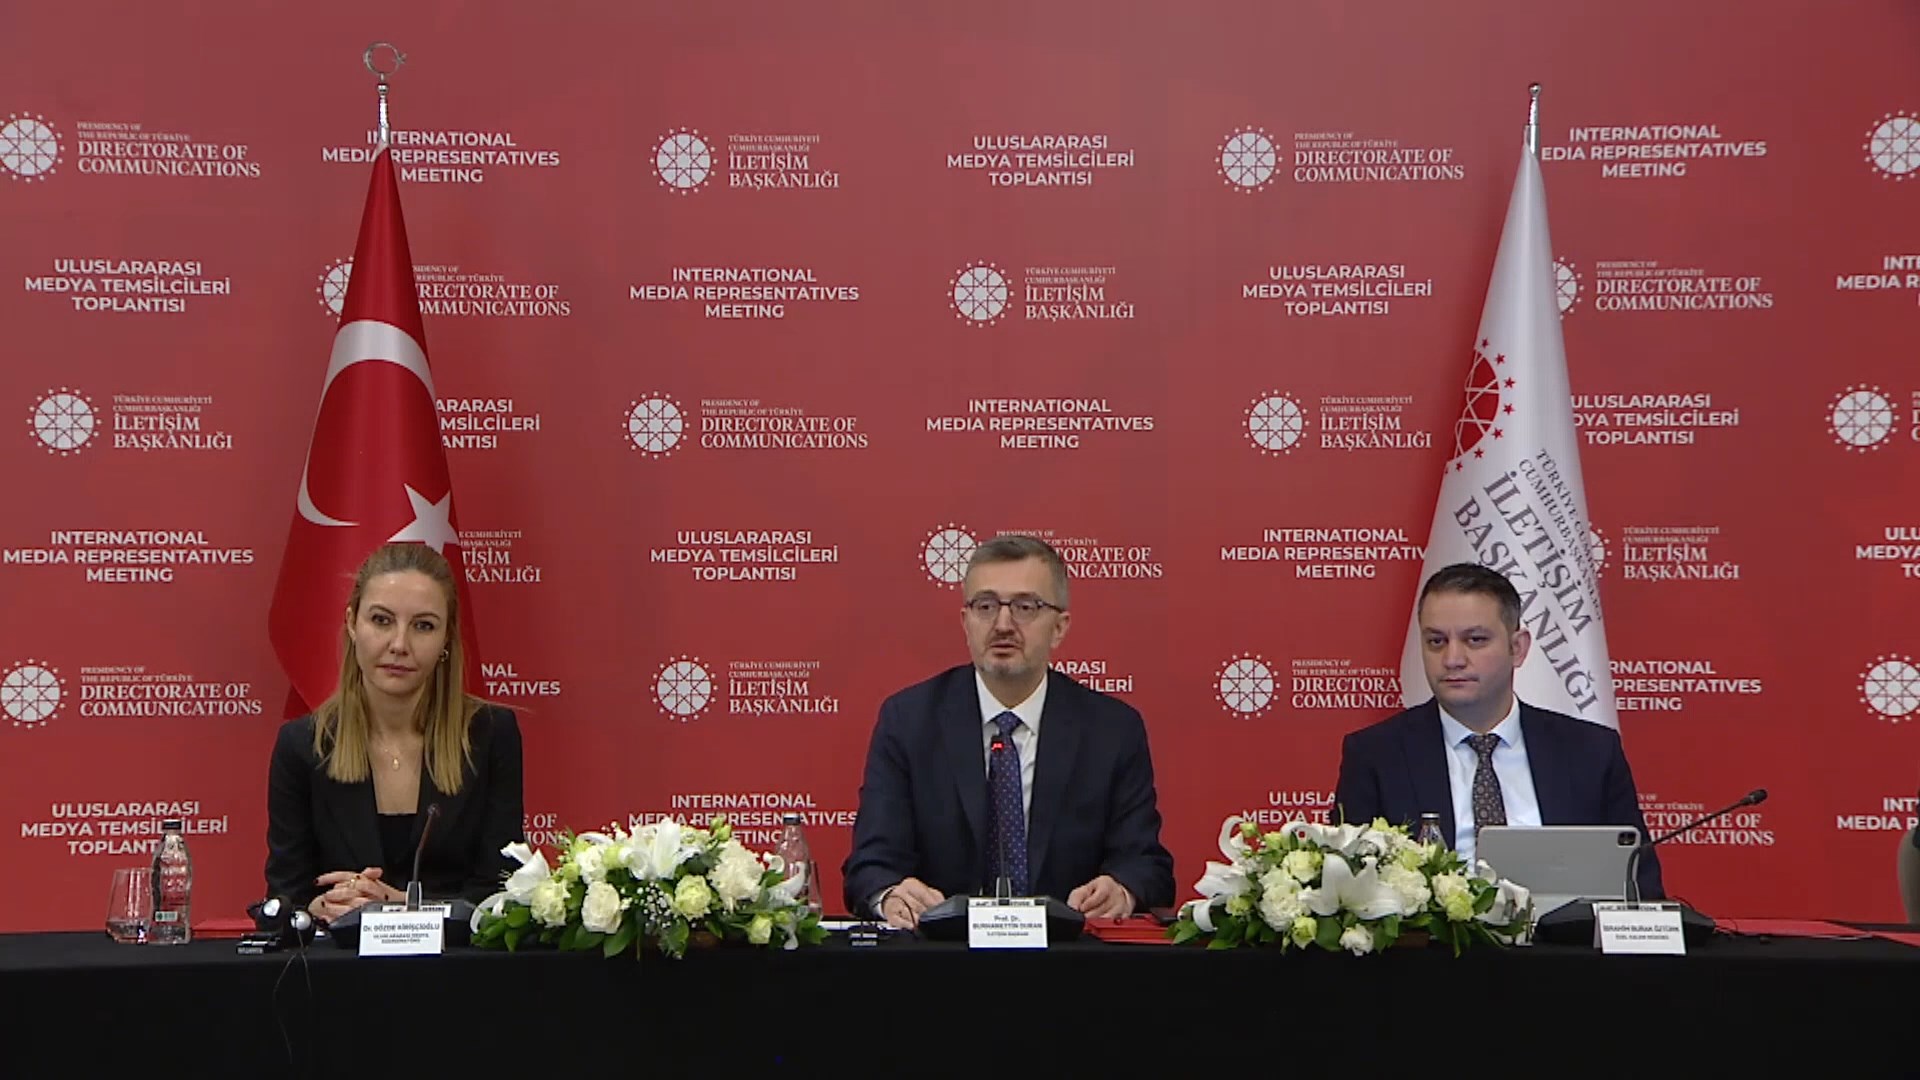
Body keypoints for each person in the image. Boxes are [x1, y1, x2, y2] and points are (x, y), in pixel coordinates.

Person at [842, 534, 1175, 928]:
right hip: (941, 955)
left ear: (1059, 627)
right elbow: (870, 865)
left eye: (1025, 607)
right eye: (985, 606)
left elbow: (1146, 864)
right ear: (965, 622)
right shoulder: (909, 721)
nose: (1002, 624)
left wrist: (1122, 889)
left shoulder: (1112, 730)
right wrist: (890, 893)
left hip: (1068, 956)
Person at [1331, 562, 1664, 899]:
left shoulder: (1590, 752)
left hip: (1568, 933)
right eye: (1436, 641)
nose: (1452, 658)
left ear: (1517, 648)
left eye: (1475, 640)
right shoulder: (1377, 756)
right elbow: (1350, 891)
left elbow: (1640, 889)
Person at [266, 541, 524, 921]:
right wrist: (315, 909)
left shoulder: (490, 735)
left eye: (423, 626)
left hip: (455, 957)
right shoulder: (302, 745)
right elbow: (283, 896)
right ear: (352, 623)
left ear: (446, 638)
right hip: (340, 957)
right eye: (382, 620)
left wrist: (401, 907)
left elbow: (501, 897)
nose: (399, 644)